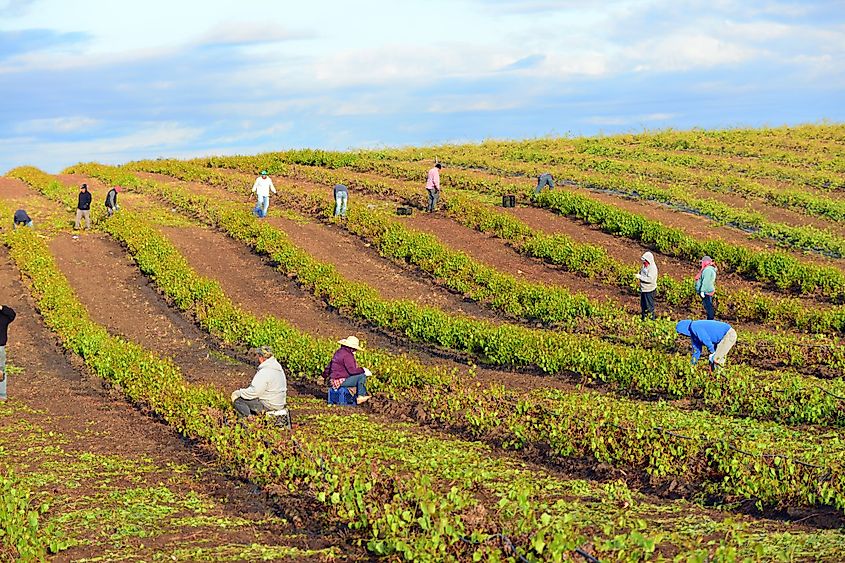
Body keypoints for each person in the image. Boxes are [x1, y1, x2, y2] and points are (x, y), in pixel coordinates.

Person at [230, 345, 287, 417]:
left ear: (261, 357)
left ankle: (247, 421)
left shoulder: (264, 372)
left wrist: (239, 393)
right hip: (279, 404)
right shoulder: (278, 369)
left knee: (238, 401)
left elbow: (254, 392)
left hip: (269, 405)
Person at [323, 336, 371, 405]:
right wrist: (363, 370)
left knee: (358, 376)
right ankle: (361, 396)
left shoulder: (338, 352)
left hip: (333, 381)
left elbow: (329, 366)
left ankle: (359, 394)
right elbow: (352, 371)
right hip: (340, 381)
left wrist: (324, 376)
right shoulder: (348, 355)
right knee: (361, 376)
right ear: (352, 348)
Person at [634, 251, 658, 320]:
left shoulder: (652, 268)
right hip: (644, 289)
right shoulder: (644, 265)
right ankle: (643, 319)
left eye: (645, 261)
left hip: (649, 290)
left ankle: (651, 320)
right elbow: (642, 272)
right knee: (643, 305)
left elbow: (650, 279)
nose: (644, 262)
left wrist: (640, 277)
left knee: (649, 307)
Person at [0, 305, 17, 401]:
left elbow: (12, 314)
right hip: (0, 347)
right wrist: (2, 308)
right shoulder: (3, 317)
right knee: (1, 371)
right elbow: (12, 314)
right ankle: (2, 395)